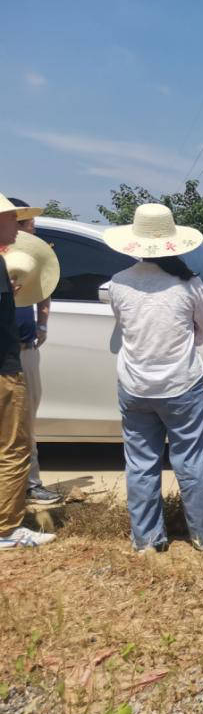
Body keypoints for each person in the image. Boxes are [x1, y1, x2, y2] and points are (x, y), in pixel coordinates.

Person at [103, 204, 203, 553]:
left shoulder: (117, 284)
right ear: (174, 242)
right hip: (181, 385)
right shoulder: (189, 284)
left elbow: (124, 329)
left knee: (140, 463)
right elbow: (201, 333)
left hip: (134, 386)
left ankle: (147, 539)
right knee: (191, 459)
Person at [0, 193, 57, 549]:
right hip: (4, 369)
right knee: (13, 447)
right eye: (12, 219)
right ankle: (6, 528)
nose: (18, 227)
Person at [9, 202, 63, 506]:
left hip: (24, 349)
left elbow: (45, 286)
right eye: (29, 224)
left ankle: (29, 484)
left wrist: (42, 322)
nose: (34, 229)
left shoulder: (29, 258)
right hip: (8, 351)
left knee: (26, 420)